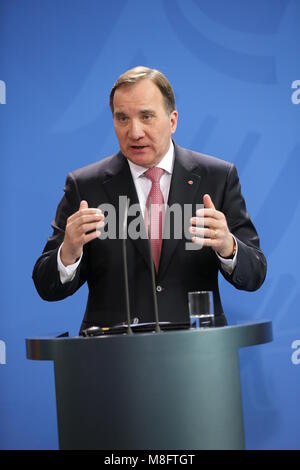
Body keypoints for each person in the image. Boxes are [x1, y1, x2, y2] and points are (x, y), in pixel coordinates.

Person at [32, 66, 267, 333]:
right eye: (122, 118)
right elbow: (45, 285)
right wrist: (68, 253)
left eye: (146, 116)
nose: (134, 132)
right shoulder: (86, 186)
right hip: (113, 358)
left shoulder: (217, 177)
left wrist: (228, 247)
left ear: (172, 120)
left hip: (199, 357)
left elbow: (255, 273)